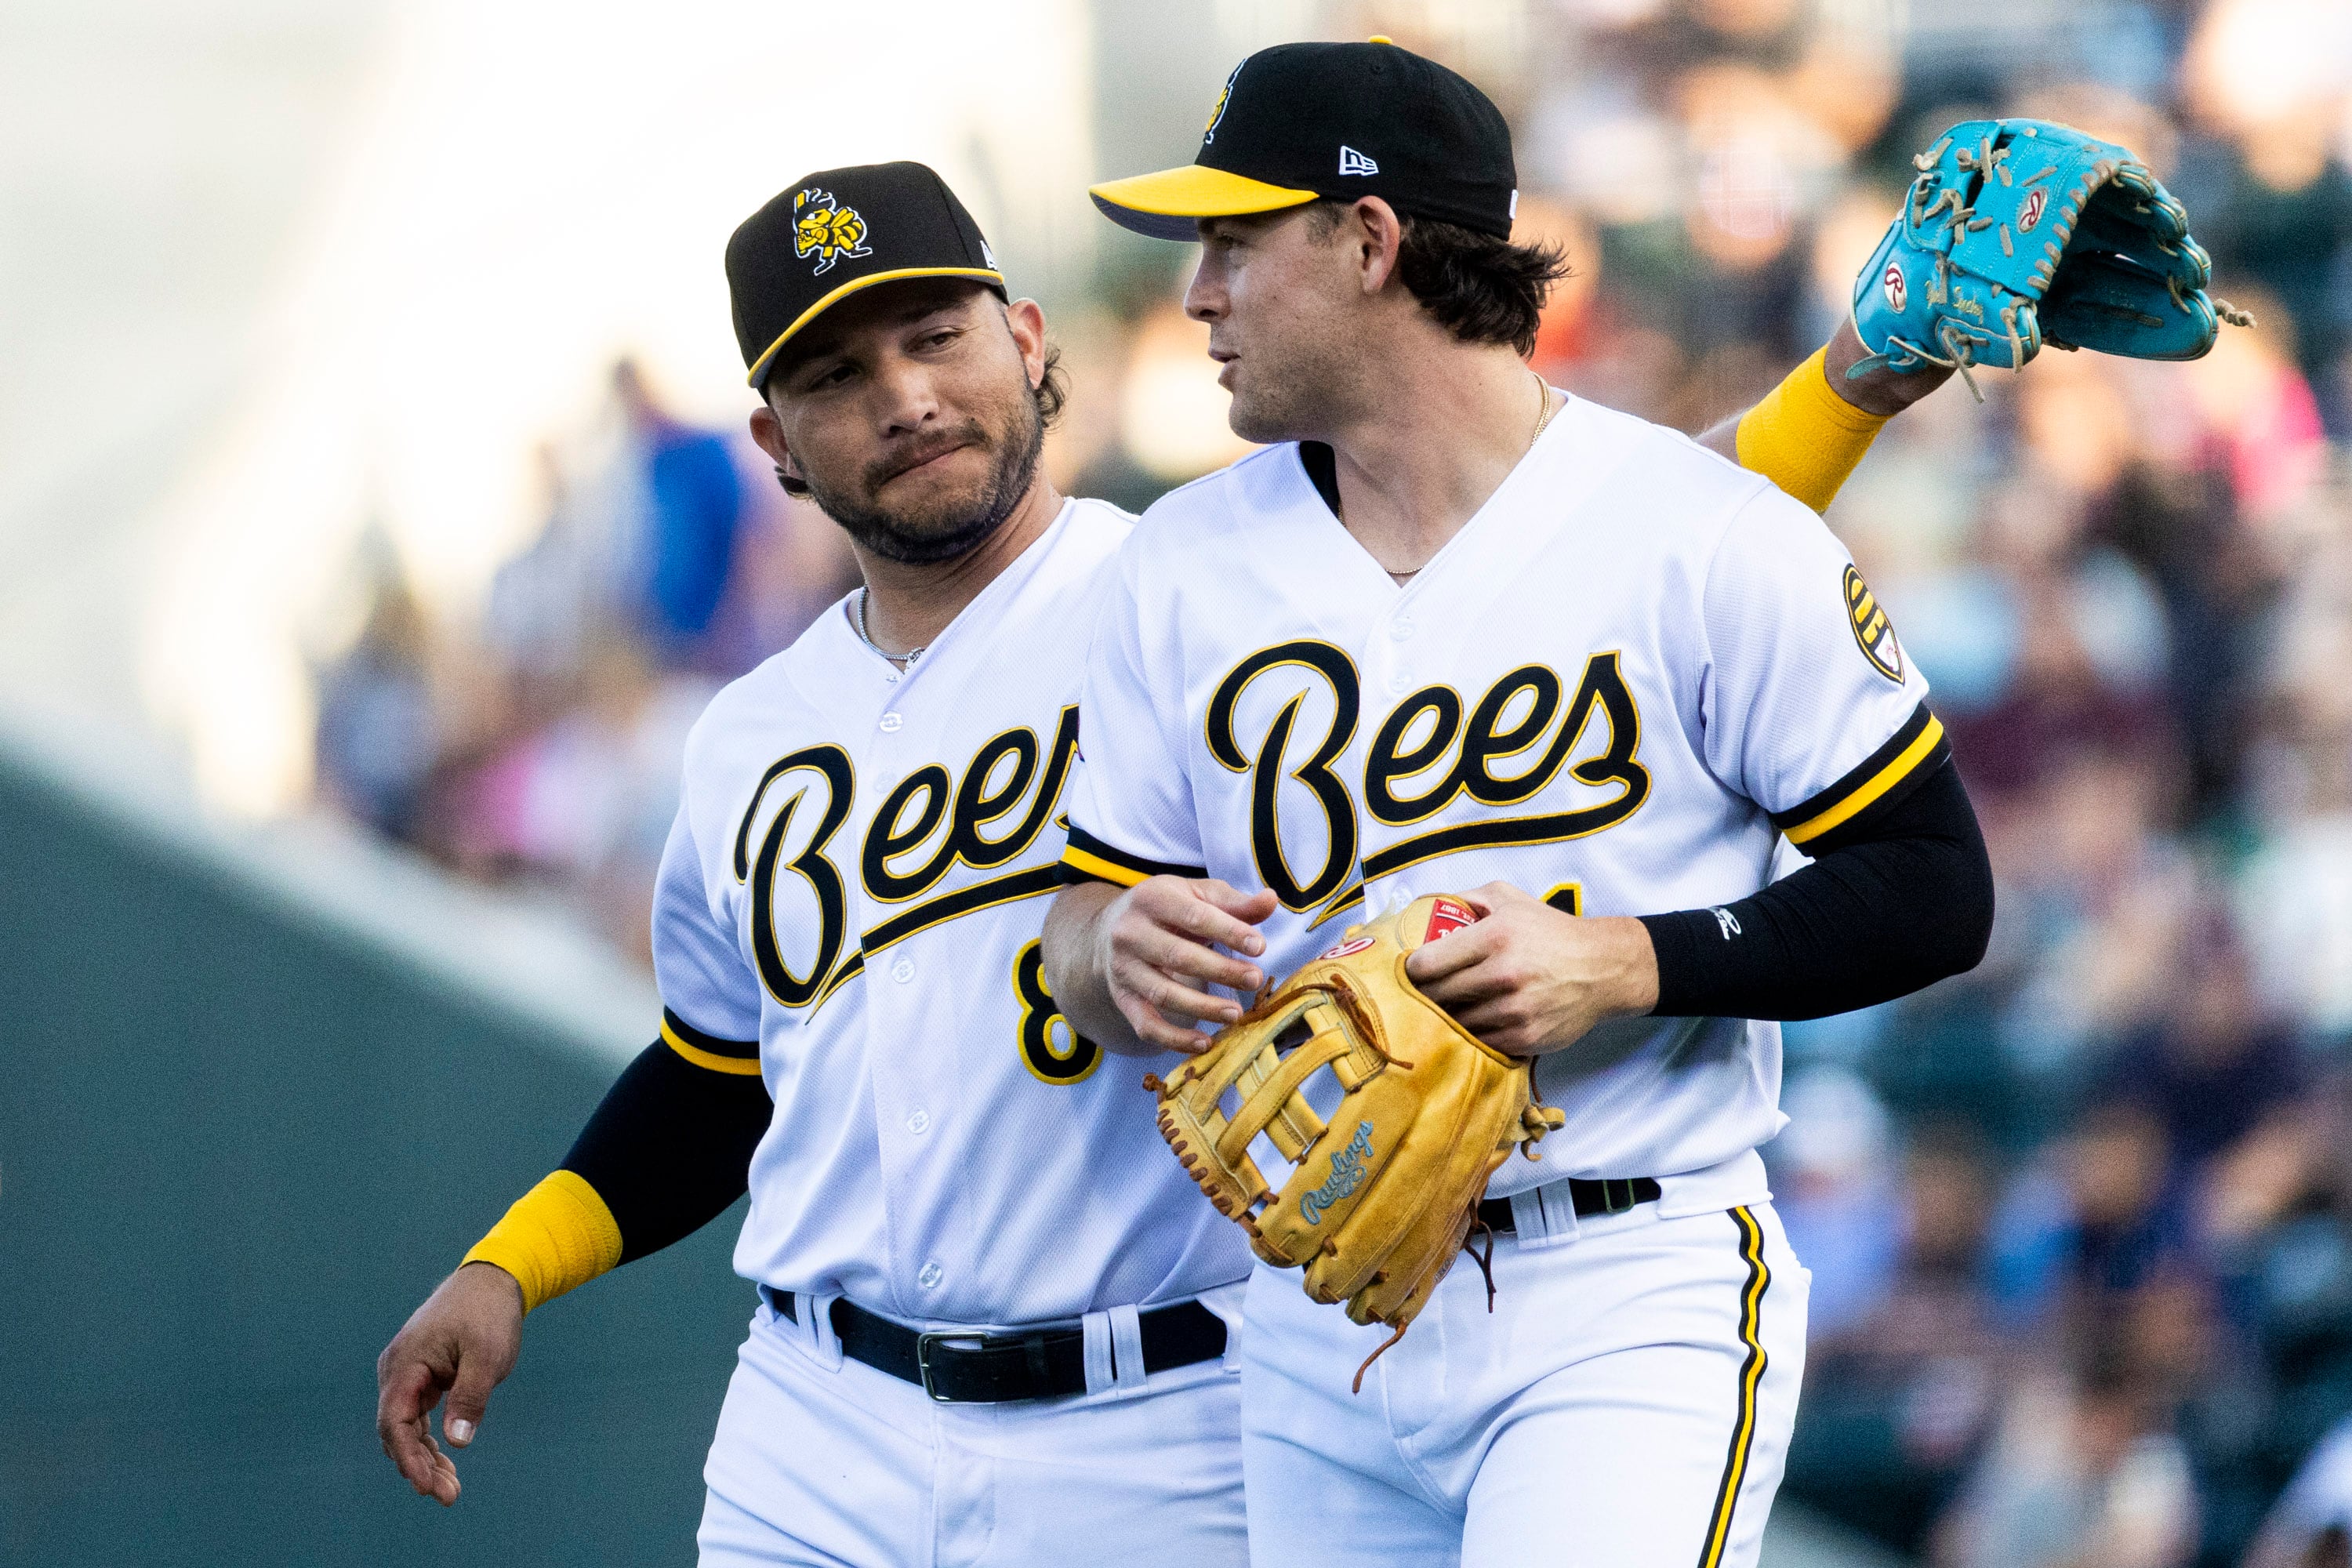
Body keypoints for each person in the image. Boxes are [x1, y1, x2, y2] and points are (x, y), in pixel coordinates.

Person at [373, 141, 1945, 1564]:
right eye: (842, 375)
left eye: (938, 336)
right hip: (818, 1418)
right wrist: (509, 1266)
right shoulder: (743, 743)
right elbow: (718, 1075)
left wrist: (1850, 389)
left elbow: (1611, 547)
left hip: (1161, 1402)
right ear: (775, 439)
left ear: (1031, 340)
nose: (909, 393)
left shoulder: (1207, 583)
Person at [1040, 38, 1993, 1568]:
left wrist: (1632, 958)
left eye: (1233, 239)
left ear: (1370, 241)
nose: (1196, 293)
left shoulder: (1701, 534)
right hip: (1313, 1316)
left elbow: (1937, 885)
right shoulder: (1177, 565)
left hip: (1623, 1283)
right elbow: (1084, 930)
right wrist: (1108, 949)